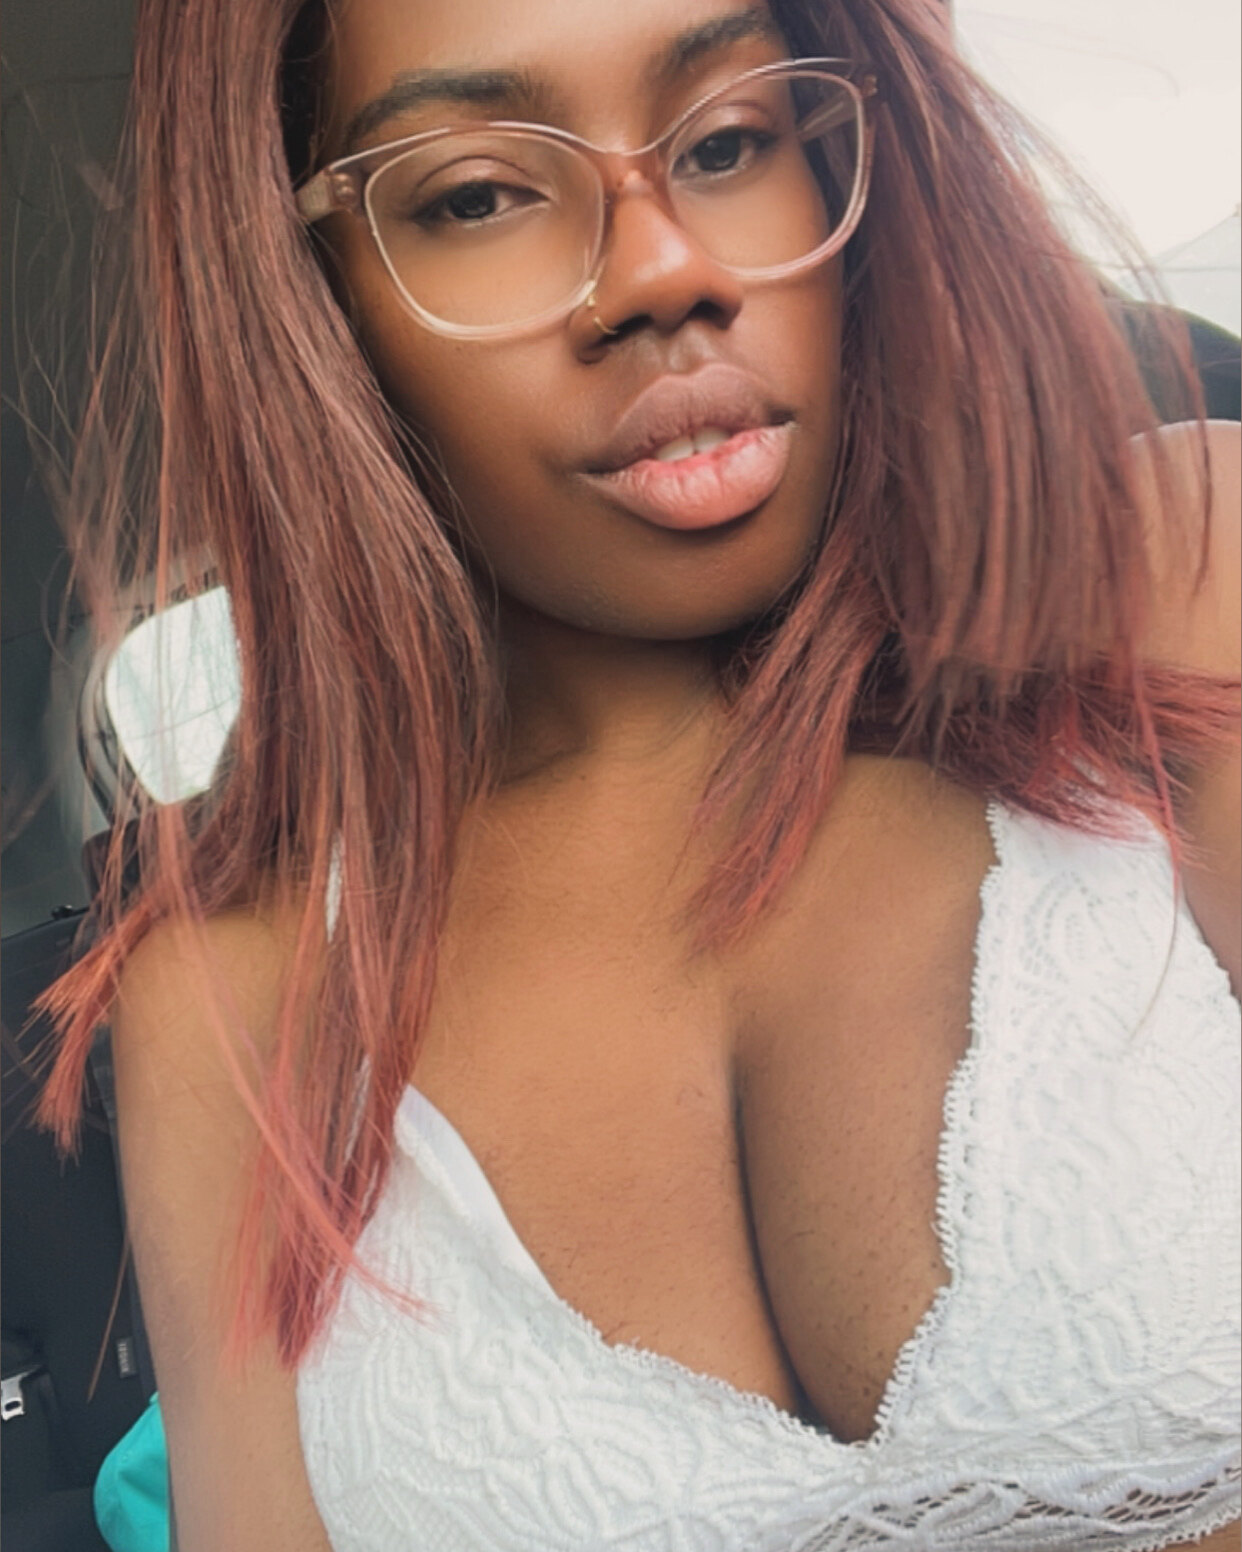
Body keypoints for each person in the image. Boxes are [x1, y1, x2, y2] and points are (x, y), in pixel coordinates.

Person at [35, 0, 1240, 1547]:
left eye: (728, 141)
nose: (666, 269)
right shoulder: (234, 1003)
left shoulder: (1177, 589)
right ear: (309, 298)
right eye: (478, 193)